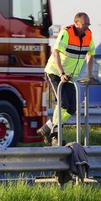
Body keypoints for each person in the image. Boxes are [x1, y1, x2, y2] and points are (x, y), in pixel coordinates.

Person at [38, 12, 96, 146]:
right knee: (63, 103)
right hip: (55, 73)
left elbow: (91, 55)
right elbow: (56, 52)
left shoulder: (88, 35)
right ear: (76, 23)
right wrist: (61, 72)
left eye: (88, 24)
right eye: (84, 24)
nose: (86, 27)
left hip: (70, 77)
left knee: (72, 108)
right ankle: (55, 135)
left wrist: (90, 74)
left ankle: (48, 128)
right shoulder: (66, 33)